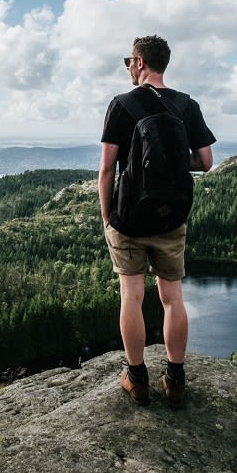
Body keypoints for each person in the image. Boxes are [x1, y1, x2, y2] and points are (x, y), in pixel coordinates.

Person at [98, 34, 215, 407]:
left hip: (129, 219)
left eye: (129, 62)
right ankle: (175, 379)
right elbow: (205, 162)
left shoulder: (122, 105)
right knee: (171, 297)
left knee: (131, 296)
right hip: (170, 219)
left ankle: (136, 377)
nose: (129, 68)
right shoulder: (186, 105)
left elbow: (106, 169)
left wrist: (107, 218)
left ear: (140, 62)